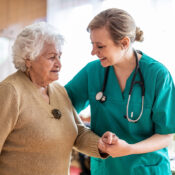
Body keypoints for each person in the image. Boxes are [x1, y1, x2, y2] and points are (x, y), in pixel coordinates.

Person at [65, 8, 175, 175]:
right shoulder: (92, 72)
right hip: (106, 169)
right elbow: (62, 105)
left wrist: (129, 149)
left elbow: (166, 135)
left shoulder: (158, 75)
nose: (93, 52)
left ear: (124, 43)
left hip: (147, 169)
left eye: (100, 46)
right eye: (92, 44)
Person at [0, 22, 114, 175]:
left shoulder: (58, 90)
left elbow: (78, 132)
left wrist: (101, 145)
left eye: (59, 56)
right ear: (28, 59)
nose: (59, 64)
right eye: (51, 57)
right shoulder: (10, 92)